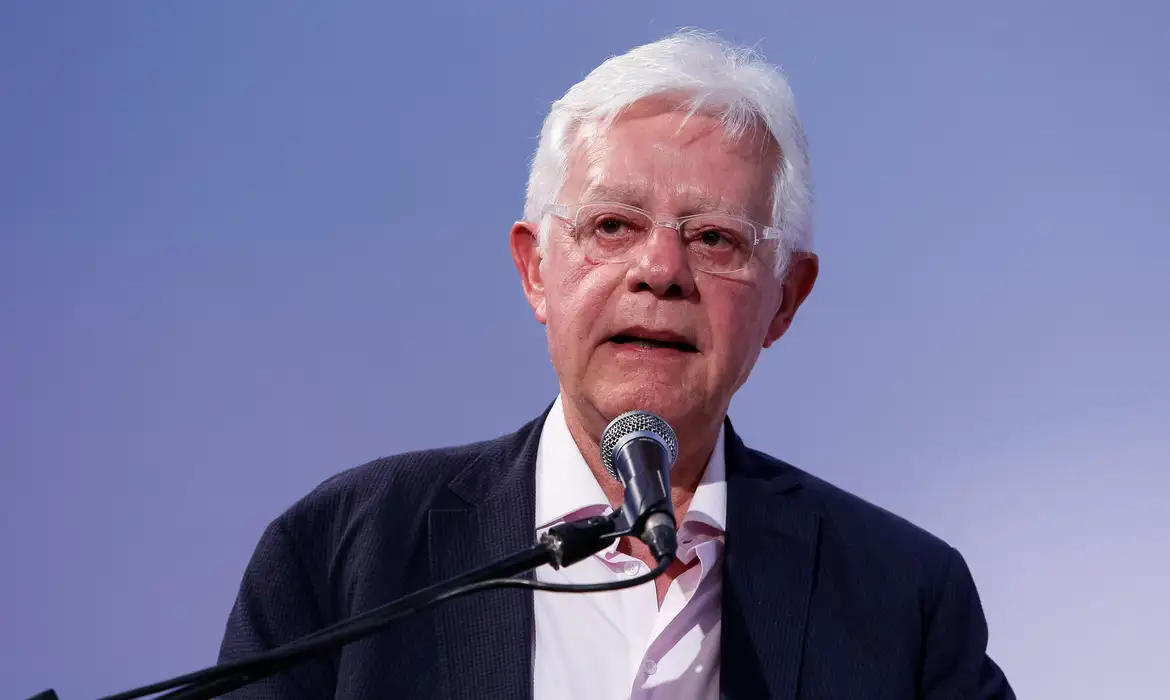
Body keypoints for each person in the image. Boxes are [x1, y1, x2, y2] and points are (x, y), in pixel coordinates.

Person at [218, 29, 1015, 700]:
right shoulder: (345, 554)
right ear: (536, 269)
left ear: (785, 300)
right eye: (612, 226)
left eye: (715, 238)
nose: (661, 270)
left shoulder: (904, 601)